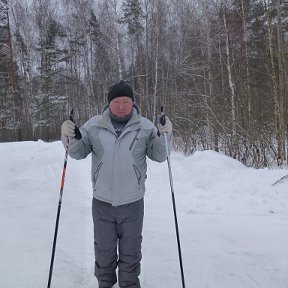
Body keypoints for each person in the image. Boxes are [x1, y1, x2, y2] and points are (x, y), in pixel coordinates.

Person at [61, 80, 172, 288]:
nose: (122, 106)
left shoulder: (145, 127)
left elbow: (159, 155)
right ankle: (106, 284)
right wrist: (68, 136)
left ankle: (129, 285)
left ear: (133, 103)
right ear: (109, 103)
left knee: (131, 251)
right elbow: (76, 152)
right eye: (117, 101)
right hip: (102, 203)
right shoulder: (94, 125)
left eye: (126, 101)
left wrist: (164, 135)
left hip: (133, 203)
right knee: (104, 251)